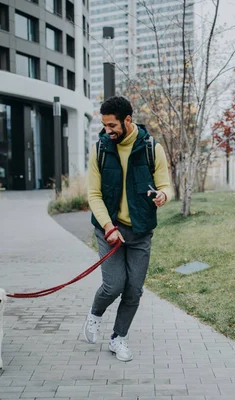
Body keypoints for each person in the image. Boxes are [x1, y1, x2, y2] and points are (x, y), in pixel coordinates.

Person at [83, 96, 173, 361]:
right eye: (104, 125)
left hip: (140, 231)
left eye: (112, 125)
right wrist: (109, 227)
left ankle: (118, 338)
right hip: (108, 229)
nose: (107, 130)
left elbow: (166, 186)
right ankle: (94, 314)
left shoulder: (151, 148)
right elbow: (93, 194)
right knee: (113, 286)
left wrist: (163, 196)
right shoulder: (99, 149)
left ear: (128, 120)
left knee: (134, 290)